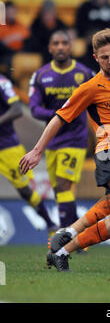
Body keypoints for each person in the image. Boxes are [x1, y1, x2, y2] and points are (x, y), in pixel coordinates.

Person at [20, 28, 110, 271]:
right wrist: (36, 151)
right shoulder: (90, 87)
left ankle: (61, 251)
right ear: (96, 58)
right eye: (104, 57)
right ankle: (69, 229)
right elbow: (58, 118)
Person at [29, 30, 94, 229]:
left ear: (70, 46)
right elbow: (34, 109)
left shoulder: (84, 74)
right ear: (50, 48)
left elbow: (96, 102)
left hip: (76, 139)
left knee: (64, 184)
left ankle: (65, 239)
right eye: (55, 43)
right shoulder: (40, 75)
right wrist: (60, 115)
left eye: (64, 43)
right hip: (51, 140)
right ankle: (77, 234)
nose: (60, 47)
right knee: (59, 190)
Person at [0, 73, 56, 234]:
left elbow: (17, 109)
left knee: (24, 190)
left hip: (6, 146)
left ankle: (50, 224)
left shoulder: (2, 82)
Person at [26, 0, 67, 64]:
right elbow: (34, 42)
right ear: (42, 13)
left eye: (51, 12)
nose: (48, 15)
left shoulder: (59, 24)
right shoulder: (36, 24)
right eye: (46, 12)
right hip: (40, 54)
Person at [0, 1, 30, 75]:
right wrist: (6, 41)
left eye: (13, 11)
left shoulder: (21, 26)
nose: (11, 13)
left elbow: (29, 41)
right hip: (4, 56)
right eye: (9, 11)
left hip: (20, 55)